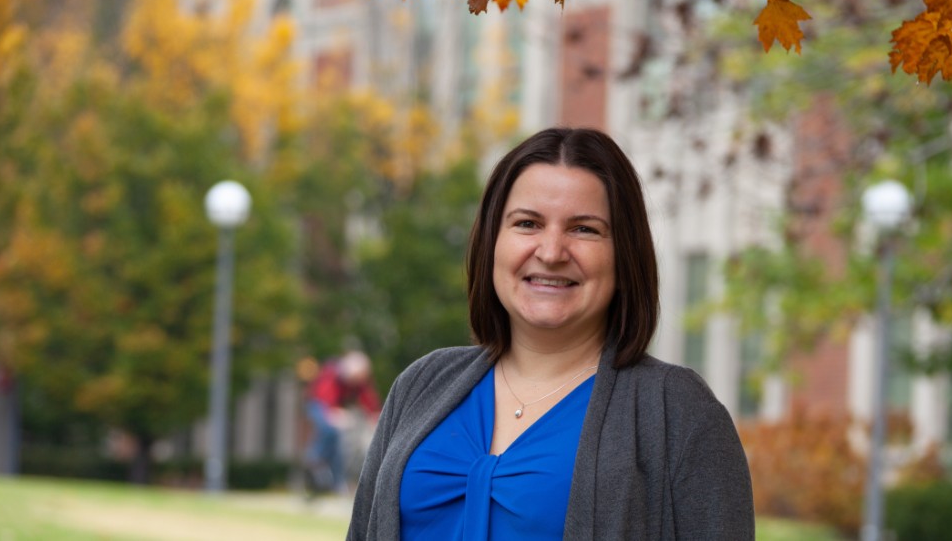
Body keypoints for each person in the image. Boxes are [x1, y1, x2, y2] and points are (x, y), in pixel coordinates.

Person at [347, 128, 754, 540]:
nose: (551, 252)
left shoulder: (676, 411)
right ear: (493, 241)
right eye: (527, 223)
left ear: (624, 254)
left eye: (584, 229)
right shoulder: (423, 384)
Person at [306, 350, 380, 494]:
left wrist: (374, 415)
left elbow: (369, 401)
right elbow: (326, 404)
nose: (357, 381)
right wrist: (336, 415)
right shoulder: (331, 375)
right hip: (318, 404)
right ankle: (315, 460)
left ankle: (337, 481)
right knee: (329, 430)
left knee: (342, 442)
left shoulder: (358, 380)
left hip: (336, 407)